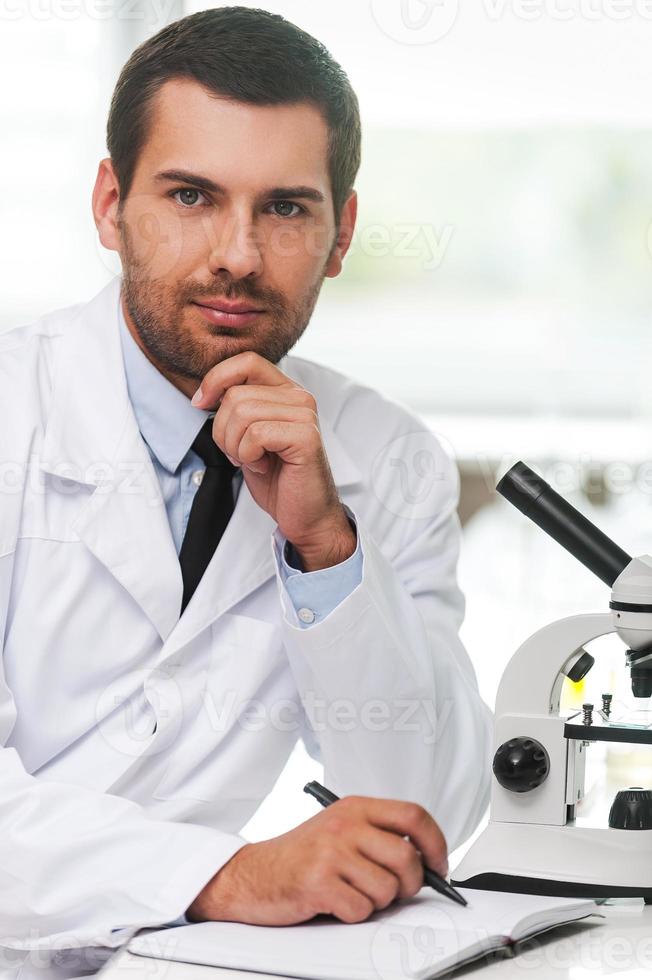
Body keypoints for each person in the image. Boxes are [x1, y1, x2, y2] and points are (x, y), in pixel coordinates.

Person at [0, 7, 492, 977]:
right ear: (109, 205)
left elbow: (420, 806)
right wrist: (233, 873)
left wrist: (325, 545)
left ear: (341, 232)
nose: (235, 253)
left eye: (285, 207)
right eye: (190, 195)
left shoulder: (385, 459)